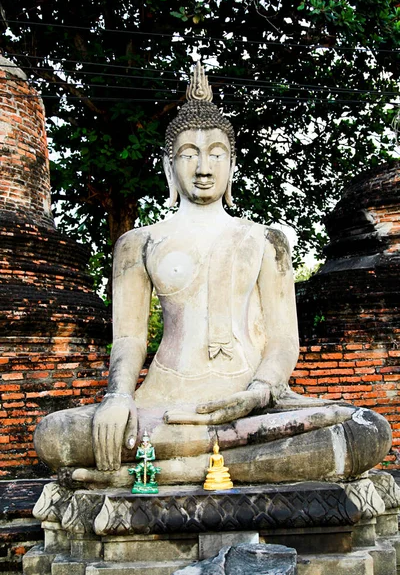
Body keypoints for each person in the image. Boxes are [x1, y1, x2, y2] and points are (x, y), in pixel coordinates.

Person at [34, 63, 391, 486]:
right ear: (170, 167)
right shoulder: (139, 243)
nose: (203, 167)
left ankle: (172, 469)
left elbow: (282, 341)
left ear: (231, 166)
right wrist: (118, 397)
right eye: (189, 154)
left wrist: (256, 393)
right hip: (164, 403)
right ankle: (229, 461)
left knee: (367, 428)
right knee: (56, 436)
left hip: (252, 405)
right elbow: (129, 340)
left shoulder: (266, 240)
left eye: (216, 154)